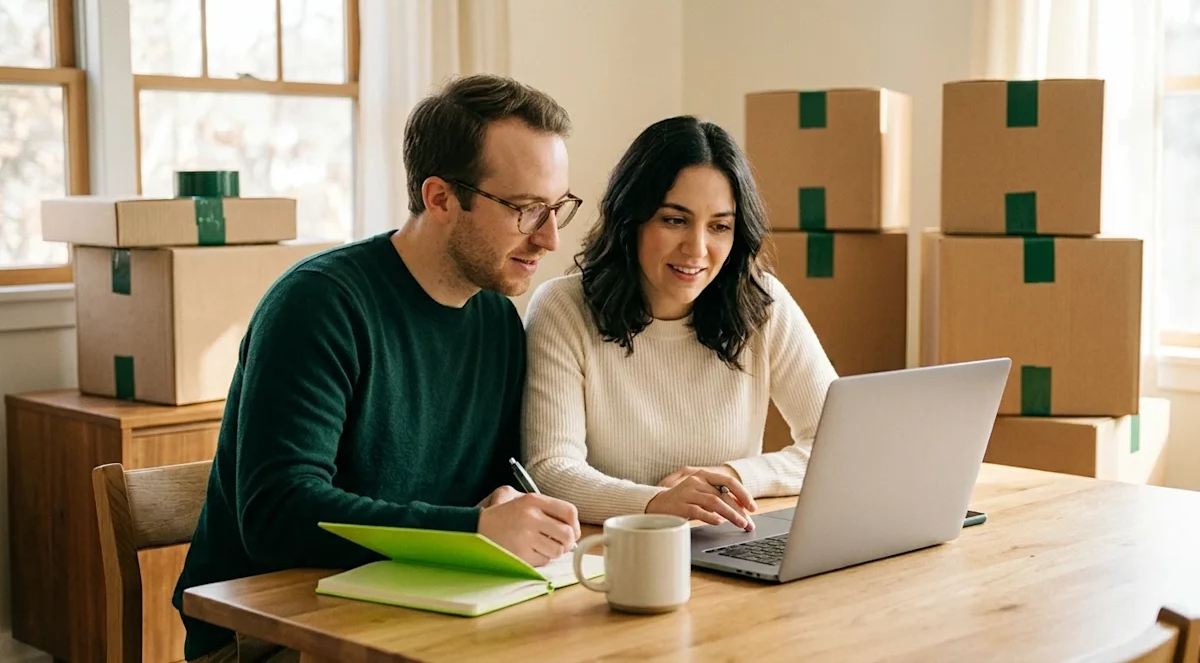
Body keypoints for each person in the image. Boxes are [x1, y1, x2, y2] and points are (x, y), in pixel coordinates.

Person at [172, 74, 585, 662]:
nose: (548, 238)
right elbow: (277, 513)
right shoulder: (319, 305)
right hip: (268, 637)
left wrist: (502, 513)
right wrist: (470, 530)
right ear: (440, 198)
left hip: (422, 613)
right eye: (524, 209)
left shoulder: (497, 318)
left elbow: (493, 489)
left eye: (557, 207)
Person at [520, 115, 838, 530]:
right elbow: (549, 471)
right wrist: (659, 504)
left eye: (720, 226)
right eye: (674, 220)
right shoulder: (562, 308)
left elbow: (839, 444)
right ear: (631, 218)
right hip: (612, 552)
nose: (698, 249)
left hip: (724, 542)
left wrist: (734, 476)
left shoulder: (762, 302)